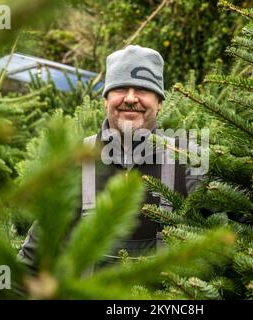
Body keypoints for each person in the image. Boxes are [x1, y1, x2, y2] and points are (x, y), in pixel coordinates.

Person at [17, 45, 204, 274]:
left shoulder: (188, 160)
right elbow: (32, 261)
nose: (131, 98)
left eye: (143, 90)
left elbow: (220, 251)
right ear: (106, 100)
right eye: (121, 88)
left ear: (159, 102)